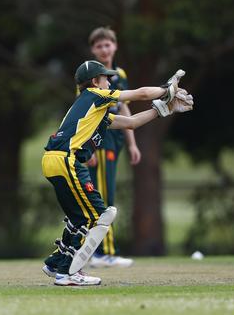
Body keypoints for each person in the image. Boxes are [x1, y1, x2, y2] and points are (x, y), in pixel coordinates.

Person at [41, 60, 193, 286]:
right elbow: (140, 93)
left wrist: (163, 109)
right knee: (100, 215)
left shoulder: (96, 111)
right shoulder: (95, 95)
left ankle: (56, 263)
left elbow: (131, 122)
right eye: (105, 77)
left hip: (54, 160)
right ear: (94, 81)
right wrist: (167, 89)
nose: (110, 81)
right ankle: (67, 273)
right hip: (66, 159)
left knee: (79, 217)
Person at [85, 27, 140, 268]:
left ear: (115, 47)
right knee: (103, 196)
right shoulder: (89, 74)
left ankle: (95, 252)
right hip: (100, 137)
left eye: (108, 45)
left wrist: (132, 143)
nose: (104, 49)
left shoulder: (120, 74)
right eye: (99, 46)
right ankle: (101, 253)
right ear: (93, 50)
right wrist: (90, 148)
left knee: (107, 194)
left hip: (116, 137)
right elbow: (85, 112)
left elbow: (125, 107)